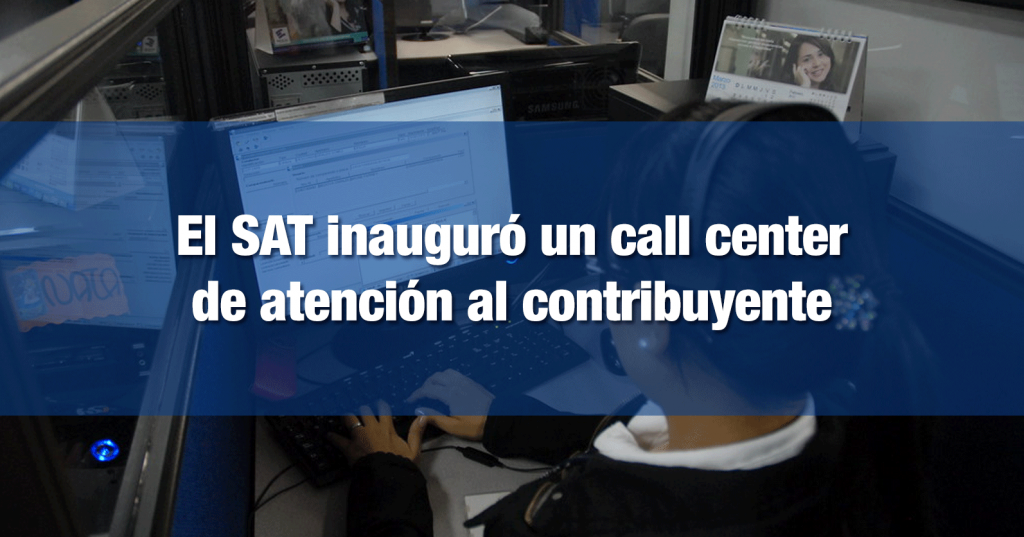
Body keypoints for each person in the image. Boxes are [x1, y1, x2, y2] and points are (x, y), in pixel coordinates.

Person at [328, 101, 934, 537]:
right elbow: (655, 426)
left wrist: (387, 486)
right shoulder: (856, 432)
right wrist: (507, 421)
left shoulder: (576, 523)